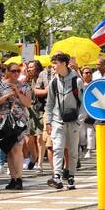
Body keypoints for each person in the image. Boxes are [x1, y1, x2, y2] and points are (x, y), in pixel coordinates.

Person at [45, 53, 82, 190]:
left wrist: (79, 121)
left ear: (64, 64)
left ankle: (71, 176)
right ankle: (57, 176)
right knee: (58, 148)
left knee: (72, 150)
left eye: (55, 63)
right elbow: (49, 103)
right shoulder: (53, 82)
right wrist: (48, 121)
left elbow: (84, 103)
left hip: (73, 121)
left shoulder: (76, 81)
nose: (53, 66)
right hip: (57, 120)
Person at [0, 61, 31, 190]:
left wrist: (18, 93)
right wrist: (7, 95)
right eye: (13, 71)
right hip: (5, 121)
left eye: (18, 71)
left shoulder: (24, 86)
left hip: (19, 121)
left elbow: (27, 103)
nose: (15, 73)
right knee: (9, 150)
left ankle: (19, 178)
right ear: (8, 71)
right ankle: (13, 178)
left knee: (17, 150)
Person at [79, 66, 95, 158]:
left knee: (90, 131)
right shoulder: (79, 84)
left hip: (91, 110)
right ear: (82, 74)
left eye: (90, 72)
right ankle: (82, 147)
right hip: (81, 110)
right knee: (81, 132)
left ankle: (89, 150)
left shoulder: (94, 84)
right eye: (86, 72)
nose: (88, 74)